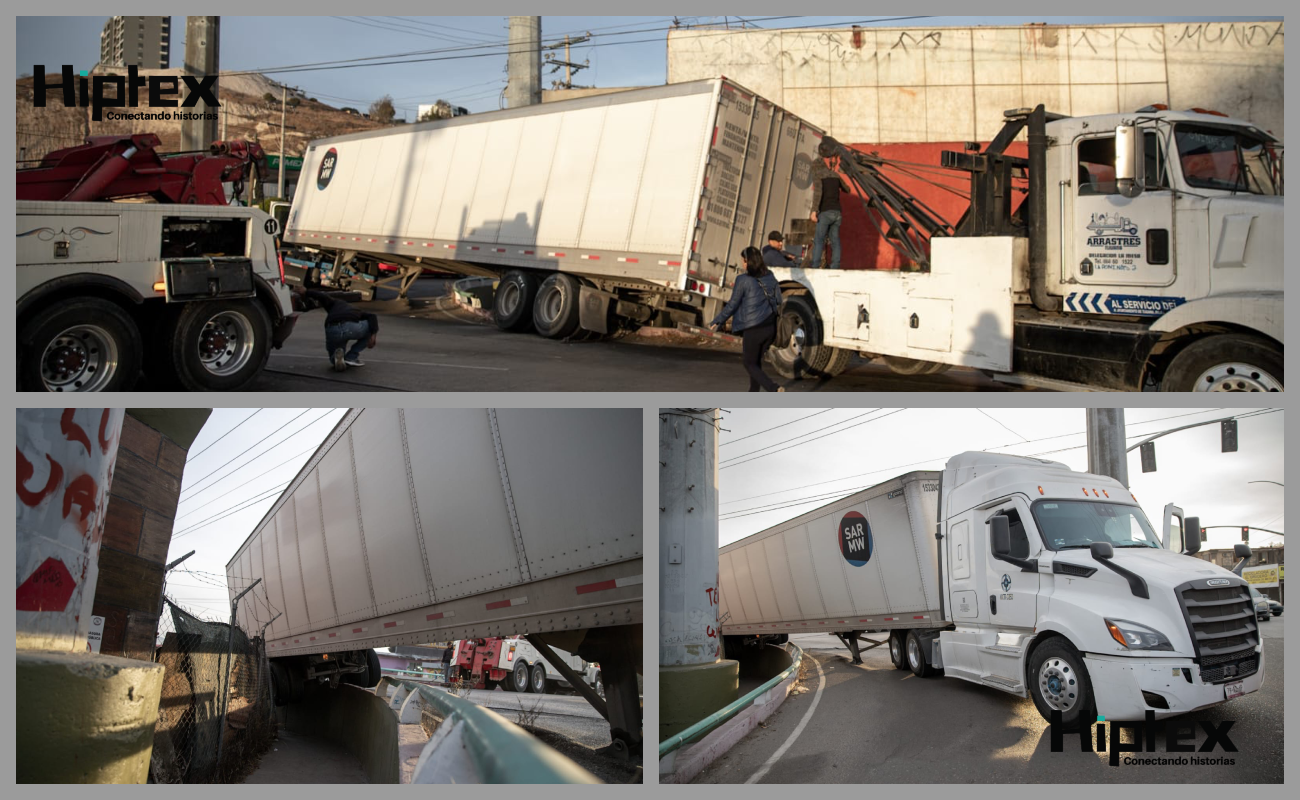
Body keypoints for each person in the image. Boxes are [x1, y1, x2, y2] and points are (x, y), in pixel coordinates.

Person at [709, 246, 785, 392]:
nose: (743, 264)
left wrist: (718, 320)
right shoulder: (770, 276)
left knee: (749, 363)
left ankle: (773, 388)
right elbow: (778, 300)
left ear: (748, 262)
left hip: (754, 329)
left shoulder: (743, 280)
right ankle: (753, 393)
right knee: (755, 362)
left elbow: (732, 305)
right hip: (770, 327)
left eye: (744, 261)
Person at [292, 283, 378, 371]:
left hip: (332, 330)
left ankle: (336, 357)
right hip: (350, 328)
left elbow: (322, 296)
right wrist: (373, 334)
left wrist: (306, 292)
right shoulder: (356, 311)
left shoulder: (334, 304)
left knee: (334, 357)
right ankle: (351, 357)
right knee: (370, 326)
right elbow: (372, 316)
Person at [808, 140, 850, 269]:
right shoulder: (835, 175)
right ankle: (835, 265)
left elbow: (818, 193)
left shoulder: (818, 175)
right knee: (835, 240)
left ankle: (815, 265)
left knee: (819, 239)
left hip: (825, 212)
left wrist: (814, 210)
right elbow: (847, 189)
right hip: (837, 213)